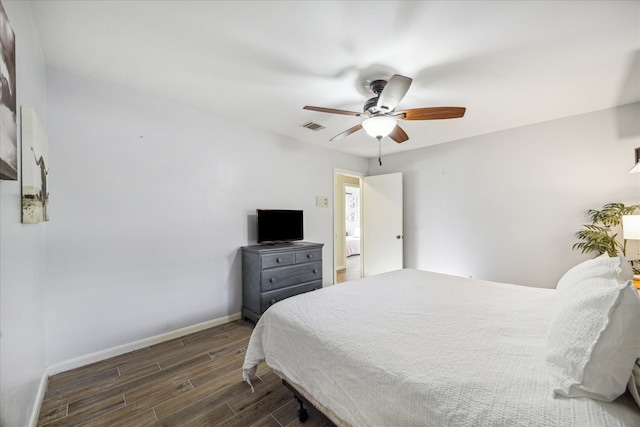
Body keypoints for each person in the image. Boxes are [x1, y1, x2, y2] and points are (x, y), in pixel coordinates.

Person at [31, 146, 48, 221]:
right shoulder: (42, 159)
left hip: (43, 177)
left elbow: (37, 163)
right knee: (43, 189)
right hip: (42, 176)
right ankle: (43, 207)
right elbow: (37, 163)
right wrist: (33, 151)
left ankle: (44, 207)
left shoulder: (42, 159)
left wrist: (33, 151)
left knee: (43, 189)